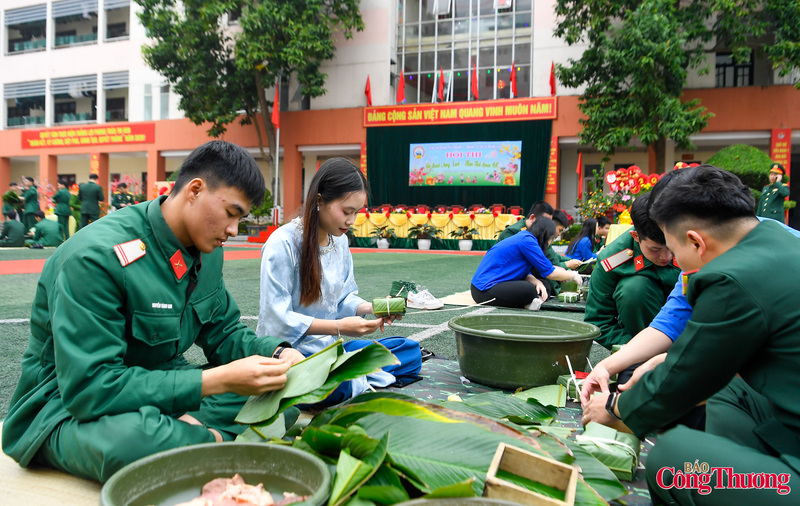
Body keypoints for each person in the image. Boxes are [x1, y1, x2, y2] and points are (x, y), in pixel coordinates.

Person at [2, 140, 305, 483]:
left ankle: (189, 440)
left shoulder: (206, 250)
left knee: (280, 396)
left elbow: (224, 331)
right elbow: (90, 389)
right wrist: (213, 381)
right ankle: (208, 440)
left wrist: (279, 353)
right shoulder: (95, 257)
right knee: (133, 442)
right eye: (232, 213)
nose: (233, 230)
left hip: (159, 389)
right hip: (66, 408)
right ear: (194, 190)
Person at [582, 165, 800, 505]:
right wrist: (618, 365)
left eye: (673, 249)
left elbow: (684, 379)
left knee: (671, 457)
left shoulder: (729, 278)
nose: (673, 261)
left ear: (696, 241)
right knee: (730, 392)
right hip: (789, 412)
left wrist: (614, 407)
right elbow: (676, 328)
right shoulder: (777, 238)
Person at [257, 157, 401, 399]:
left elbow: (343, 299)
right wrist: (338, 327)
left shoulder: (340, 242)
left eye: (356, 212)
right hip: (289, 352)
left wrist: (374, 307)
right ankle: (347, 377)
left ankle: (349, 373)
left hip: (328, 349)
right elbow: (276, 320)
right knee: (345, 385)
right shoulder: (283, 243)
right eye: (347, 211)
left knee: (406, 351)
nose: (351, 221)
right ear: (320, 200)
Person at [585, 193, 679, 349]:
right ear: (635, 236)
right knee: (634, 289)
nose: (666, 256)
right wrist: (636, 348)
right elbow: (599, 321)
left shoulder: (693, 244)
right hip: (641, 337)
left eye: (671, 247)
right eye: (655, 249)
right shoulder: (613, 259)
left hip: (688, 330)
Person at [471, 217, 582, 309]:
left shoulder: (527, 238)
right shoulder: (527, 241)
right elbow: (550, 272)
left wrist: (537, 282)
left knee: (544, 284)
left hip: (499, 284)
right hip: (483, 290)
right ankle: (531, 300)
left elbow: (526, 272)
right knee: (528, 289)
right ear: (546, 235)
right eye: (551, 239)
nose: (550, 243)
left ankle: (532, 301)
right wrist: (572, 275)